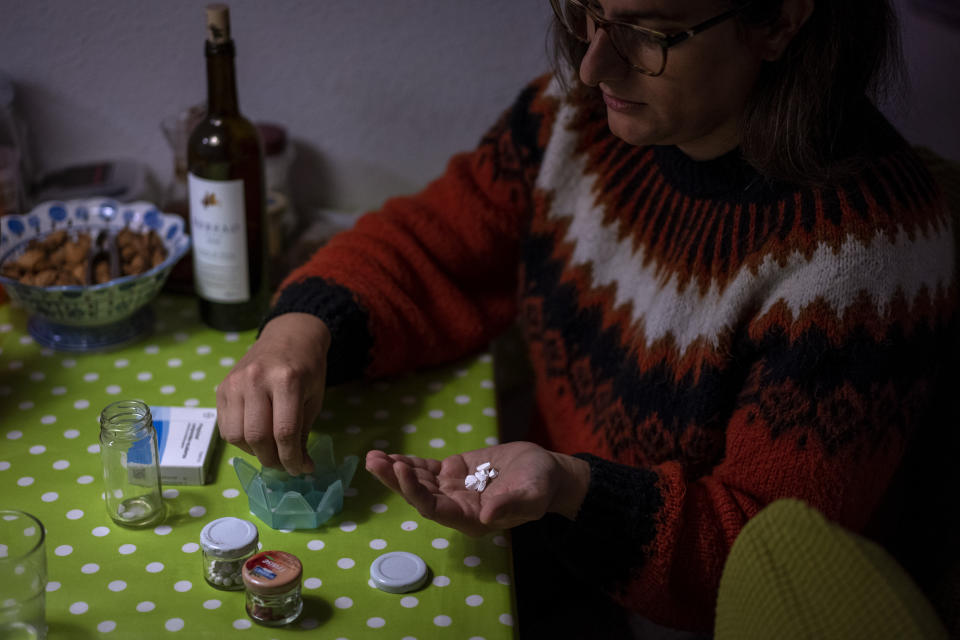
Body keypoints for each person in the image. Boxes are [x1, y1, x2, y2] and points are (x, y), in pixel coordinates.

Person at [215, 0, 956, 636]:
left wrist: (574, 490)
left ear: (780, 22)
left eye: (650, 32)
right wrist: (300, 328)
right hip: (553, 540)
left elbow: (766, 567)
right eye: (587, 13)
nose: (596, 64)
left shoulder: (864, 260)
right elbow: (434, 242)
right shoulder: (576, 120)